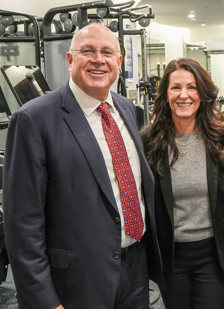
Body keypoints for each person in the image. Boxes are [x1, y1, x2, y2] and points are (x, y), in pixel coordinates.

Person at [3, 23, 162, 309]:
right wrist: (44, 300)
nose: (98, 59)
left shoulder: (126, 109)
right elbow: (23, 223)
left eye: (106, 52)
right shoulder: (34, 119)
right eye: (87, 51)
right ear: (70, 59)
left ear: (119, 61)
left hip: (135, 271)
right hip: (75, 283)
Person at [142, 58, 224, 309]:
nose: (183, 95)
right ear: (165, 94)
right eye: (176, 87)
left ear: (203, 94)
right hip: (171, 256)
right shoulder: (148, 140)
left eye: (192, 87)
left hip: (213, 254)